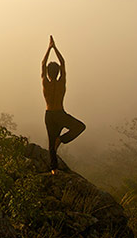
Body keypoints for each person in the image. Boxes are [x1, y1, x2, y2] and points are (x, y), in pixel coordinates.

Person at [42, 35, 85, 174]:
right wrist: (55, 48)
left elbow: (43, 64)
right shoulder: (61, 83)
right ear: (59, 72)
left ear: (48, 73)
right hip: (60, 114)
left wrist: (49, 49)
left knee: (51, 143)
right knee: (80, 127)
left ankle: (53, 169)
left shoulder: (45, 83)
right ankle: (61, 139)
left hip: (49, 115)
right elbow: (63, 62)